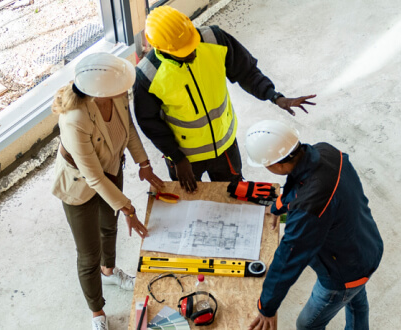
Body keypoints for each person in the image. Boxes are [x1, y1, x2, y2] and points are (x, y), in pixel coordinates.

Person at [134, 6, 317, 192]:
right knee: (191, 201)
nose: (193, 53)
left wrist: (275, 96)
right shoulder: (148, 76)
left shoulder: (215, 40)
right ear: (161, 48)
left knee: (234, 192)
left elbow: (246, 71)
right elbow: (150, 124)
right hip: (185, 158)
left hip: (224, 146)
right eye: (184, 51)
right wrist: (177, 158)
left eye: (192, 43)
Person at [51, 52, 165, 330]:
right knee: (88, 253)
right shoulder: (75, 117)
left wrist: (144, 163)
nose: (126, 88)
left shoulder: (116, 95)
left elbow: (128, 129)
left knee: (109, 227)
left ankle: (110, 272)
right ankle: (97, 312)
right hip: (80, 186)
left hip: (111, 168)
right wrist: (128, 207)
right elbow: (93, 177)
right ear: (99, 90)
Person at [241, 120, 383, 330]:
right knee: (356, 300)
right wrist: (279, 205)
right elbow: (301, 183)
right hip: (366, 246)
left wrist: (266, 307)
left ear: (278, 164)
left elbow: (288, 257)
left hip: (343, 272)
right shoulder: (327, 152)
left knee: (307, 324)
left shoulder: (308, 207)